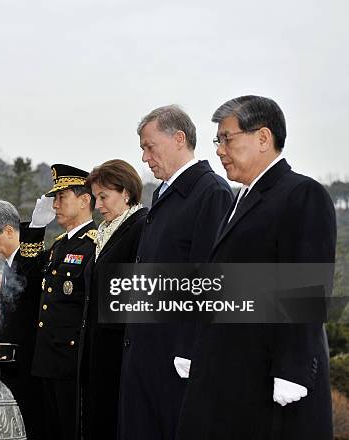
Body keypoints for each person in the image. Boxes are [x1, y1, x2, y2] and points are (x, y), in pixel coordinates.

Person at [175, 95, 335, 440]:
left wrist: (292, 371)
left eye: (226, 138)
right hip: (227, 371)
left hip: (265, 378)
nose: (219, 149)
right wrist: (192, 344)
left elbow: (305, 288)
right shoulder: (240, 198)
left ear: (263, 138)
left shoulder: (300, 194)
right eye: (218, 140)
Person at [118, 105, 233, 440]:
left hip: (174, 361)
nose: (144, 157)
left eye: (149, 146)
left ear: (179, 138)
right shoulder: (166, 194)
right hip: (145, 353)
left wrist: (190, 350)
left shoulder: (210, 193)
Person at [20, 164, 97, 440]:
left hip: (70, 362)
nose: (55, 205)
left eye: (62, 198)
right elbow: (27, 274)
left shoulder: (94, 245)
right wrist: (36, 228)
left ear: (85, 199)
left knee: (70, 430)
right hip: (47, 358)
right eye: (55, 199)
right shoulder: (60, 246)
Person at [78, 159, 148, 440]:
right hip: (98, 346)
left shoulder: (141, 227)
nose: (97, 206)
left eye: (103, 197)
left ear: (126, 193)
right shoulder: (105, 232)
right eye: (95, 198)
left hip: (119, 348)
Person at [0, 200, 44, 440]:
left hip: (32, 370)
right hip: (13, 368)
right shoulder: (7, 266)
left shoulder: (32, 261)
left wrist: (36, 227)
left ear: (10, 231)